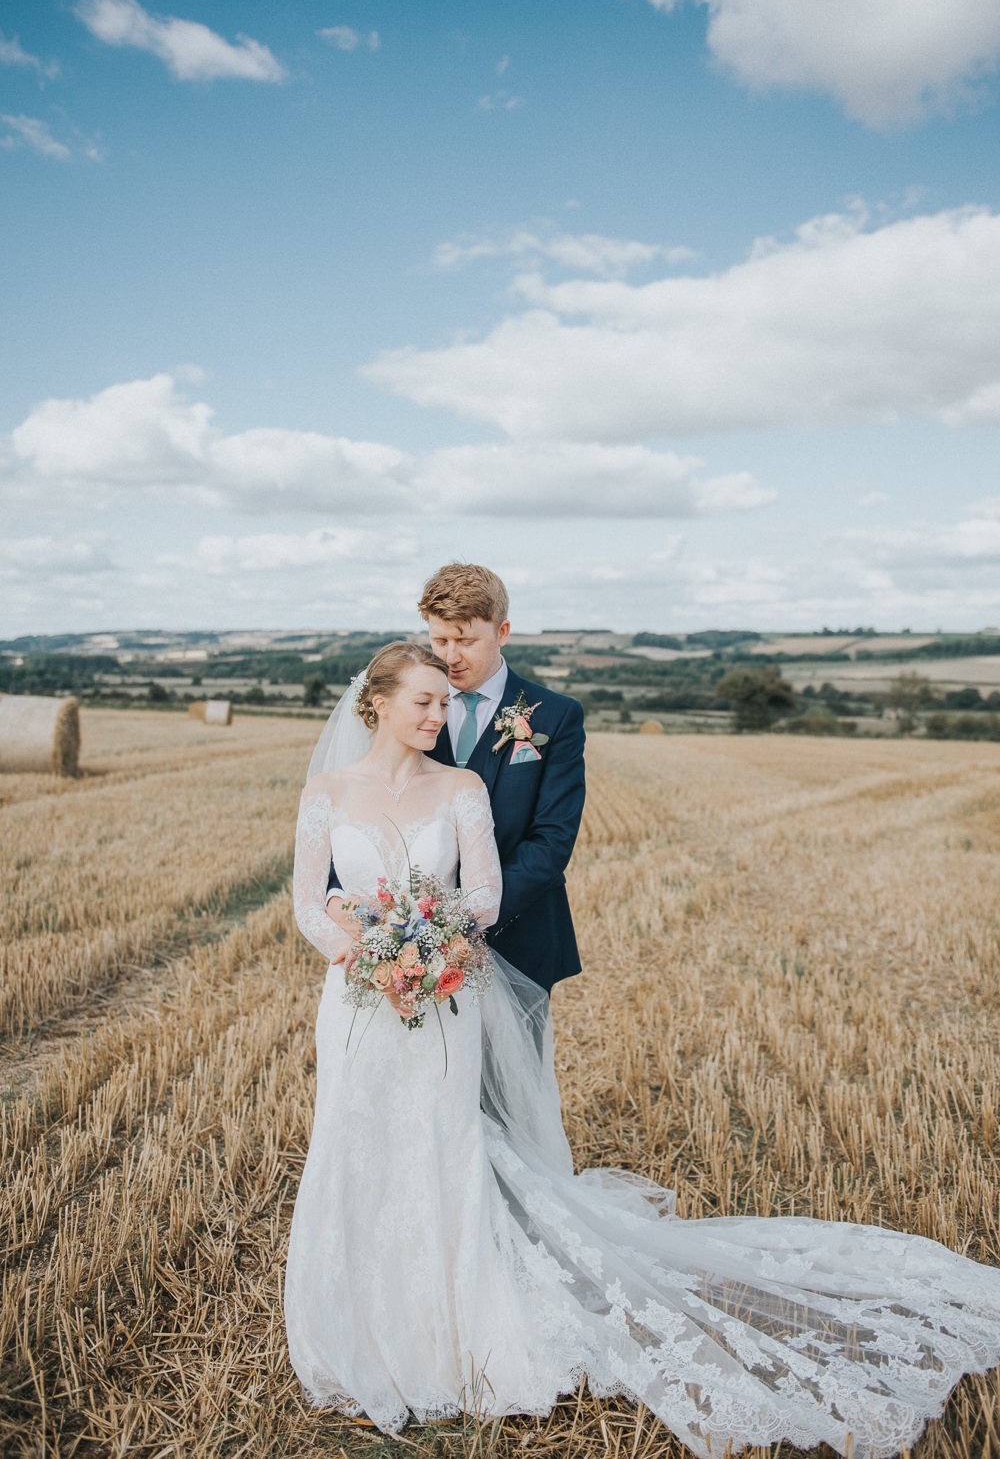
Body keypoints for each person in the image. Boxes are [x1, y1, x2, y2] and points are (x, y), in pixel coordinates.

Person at [287, 637, 1000, 1457]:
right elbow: (311, 903)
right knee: (355, 1143)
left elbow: (483, 893)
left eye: (445, 702)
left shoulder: (464, 787)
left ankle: (448, 1323)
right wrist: (360, 951)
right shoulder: (327, 792)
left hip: (442, 997)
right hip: (358, 1005)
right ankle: (360, 1318)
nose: (439, 715)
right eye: (423, 701)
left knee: (443, 1147)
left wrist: (434, 938)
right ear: (375, 703)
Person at [325, 563, 586, 993]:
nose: (449, 656)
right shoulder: (406, 708)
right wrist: (373, 911)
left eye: (465, 641)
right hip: (406, 947)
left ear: (502, 631)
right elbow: (361, 807)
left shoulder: (556, 716)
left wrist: (455, 922)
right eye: (439, 640)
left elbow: (552, 840)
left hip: (520, 939)